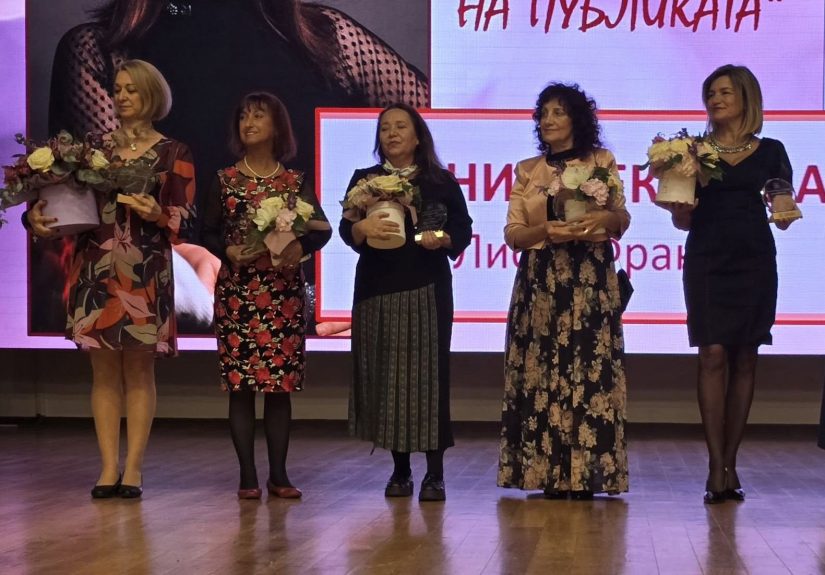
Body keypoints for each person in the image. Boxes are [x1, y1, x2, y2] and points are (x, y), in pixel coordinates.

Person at [40, 0, 428, 337]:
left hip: (316, 324)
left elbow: (444, 142)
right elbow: (111, 213)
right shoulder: (101, 53)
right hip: (188, 326)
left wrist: (371, 290)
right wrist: (182, 265)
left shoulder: (328, 39)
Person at [25, 59, 196, 498]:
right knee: (102, 371)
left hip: (144, 268)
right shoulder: (91, 150)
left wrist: (158, 212)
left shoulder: (174, 152)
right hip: (96, 266)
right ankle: (107, 468)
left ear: (152, 94)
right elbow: (57, 201)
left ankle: (133, 469)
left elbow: (188, 218)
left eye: (131, 89)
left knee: (138, 369)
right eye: (117, 89)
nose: (121, 97)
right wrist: (33, 217)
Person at [665, 65, 796, 504]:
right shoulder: (691, 151)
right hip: (707, 258)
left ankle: (731, 464)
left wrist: (784, 210)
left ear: (746, 98)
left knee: (745, 357)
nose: (715, 99)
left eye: (724, 92)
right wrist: (679, 210)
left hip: (754, 259)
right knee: (712, 353)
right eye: (710, 93)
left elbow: (782, 206)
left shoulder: (771, 150)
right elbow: (682, 219)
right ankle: (714, 463)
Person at [497, 83, 630, 500]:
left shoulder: (601, 161)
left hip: (589, 276)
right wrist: (546, 230)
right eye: (543, 113)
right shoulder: (527, 169)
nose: (548, 120)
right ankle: (547, 473)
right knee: (541, 372)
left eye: (558, 112)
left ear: (577, 118)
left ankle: (585, 472)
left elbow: (621, 218)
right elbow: (513, 234)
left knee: (589, 369)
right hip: (541, 279)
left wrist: (604, 220)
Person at [339, 103, 472, 501]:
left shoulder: (439, 181)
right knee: (388, 380)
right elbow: (347, 230)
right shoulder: (364, 180)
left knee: (427, 380)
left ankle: (435, 474)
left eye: (400, 126)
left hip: (426, 287)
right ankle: (400, 471)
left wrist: (442, 238)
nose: (392, 133)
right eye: (385, 128)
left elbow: (462, 229)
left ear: (417, 137)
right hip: (376, 289)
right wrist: (361, 227)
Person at [202, 92, 331, 499]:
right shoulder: (225, 179)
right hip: (238, 294)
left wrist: (300, 248)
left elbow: (323, 229)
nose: (249, 123)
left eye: (258, 116)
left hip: (282, 295)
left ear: (277, 127)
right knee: (241, 387)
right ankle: (247, 476)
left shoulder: (294, 182)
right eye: (243, 116)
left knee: (279, 387)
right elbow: (206, 231)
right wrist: (227, 250)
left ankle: (279, 475)